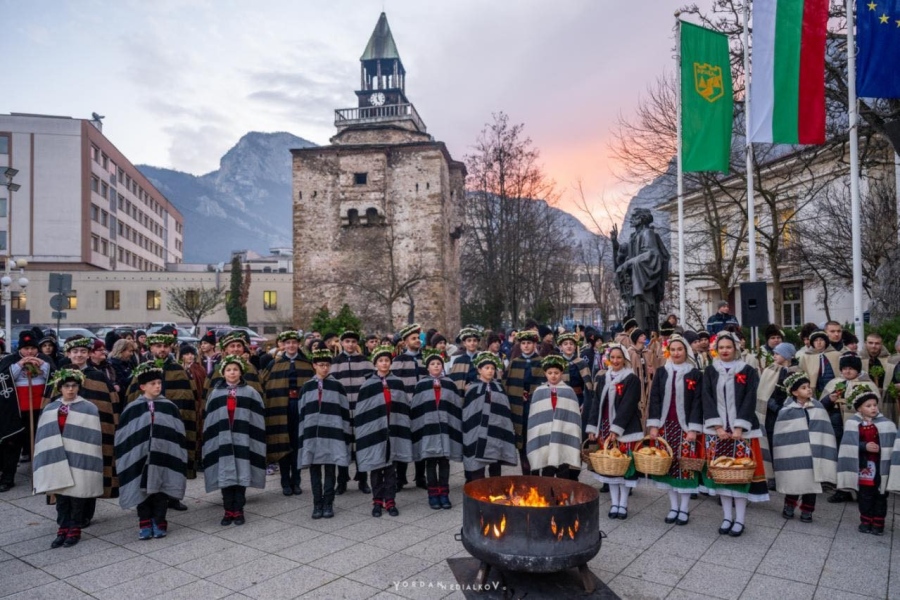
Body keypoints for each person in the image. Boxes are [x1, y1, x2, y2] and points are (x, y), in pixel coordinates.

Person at [44, 336, 120, 527]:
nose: (79, 355)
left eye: (83, 351)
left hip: (92, 437)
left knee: (90, 471)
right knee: (64, 471)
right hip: (64, 436)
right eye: (75, 351)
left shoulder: (99, 376)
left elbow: (112, 405)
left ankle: (86, 514)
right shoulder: (60, 377)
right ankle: (64, 514)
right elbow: (49, 404)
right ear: (68, 354)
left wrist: (112, 430)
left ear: (88, 354)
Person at [700, 331, 769, 538]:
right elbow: (707, 398)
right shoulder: (710, 371)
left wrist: (739, 426)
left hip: (742, 433)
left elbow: (750, 398)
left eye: (728, 347)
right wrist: (718, 427)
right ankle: (726, 516)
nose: (725, 351)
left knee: (740, 476)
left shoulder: (747, 370)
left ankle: (739, 520)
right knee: (722, 476)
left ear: (736, 348)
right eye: (721, 347)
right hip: (718, 432)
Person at [114, 363, 188, 540]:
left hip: (163, 455)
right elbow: (124, 435)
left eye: (159, 383)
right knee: (143, 491)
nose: (157, 386)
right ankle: (144, 521)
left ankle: (160, 521)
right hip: (140, 457)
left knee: (160, 490)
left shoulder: (169, 406)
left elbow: (178, 433)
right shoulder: (132, 408)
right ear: (142, 387)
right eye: (153, 383)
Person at [33, 369, 103, 548]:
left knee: (77, 495)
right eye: (66, 386)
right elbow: (44, 436)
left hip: (79, 457)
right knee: (62, 496)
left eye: (74, 386)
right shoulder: (50, 409)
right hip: (58, 457)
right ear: (59, 388)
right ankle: (62, 528)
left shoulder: (89, 408)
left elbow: (92, 437)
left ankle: (75, 529)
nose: (71, 390)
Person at [125, 334, 198, 500]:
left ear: (171, 348)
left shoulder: (179, 370)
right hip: (148, 425)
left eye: (165, 346)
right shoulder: (143, 370)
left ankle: (172, 498)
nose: (162, 349)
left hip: (171, 426)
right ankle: (148, 498)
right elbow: (132, 397)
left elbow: (189, 401)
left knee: (171, 461)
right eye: (157, 346)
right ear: (150, 348)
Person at [203, 355, 267, 526]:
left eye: (235, 369)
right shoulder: (215, 393)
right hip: (223, 439)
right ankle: (227, 510)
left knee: (241, 473)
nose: (232, 373)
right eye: (229, 370)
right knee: (226, 475)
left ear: (241, 372)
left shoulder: (251, 392)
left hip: (243, 438)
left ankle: (238, 510)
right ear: (223, 373)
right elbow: (210, 419)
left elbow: (257, 418)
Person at [647, 335, 704, 525]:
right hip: (665, 426)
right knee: (668, 467)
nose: (676, 353)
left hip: (685, 428)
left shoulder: (694, 374)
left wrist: (693, 429)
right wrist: (654, 425)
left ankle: (684, 508)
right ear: (668, 352)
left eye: (680, 349)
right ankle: (673, 507)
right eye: (673, 350)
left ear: (686, 351)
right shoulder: (662, 372)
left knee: (685, 467)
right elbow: (654, 398)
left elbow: (697, 403)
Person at [586, 344, 643, 520]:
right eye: (613, 358)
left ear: (625, 359)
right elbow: (596, 403)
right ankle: (614, 503)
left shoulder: (631, 379)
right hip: (605, 428)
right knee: (610, 467)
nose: (616, 361)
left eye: (619, 358)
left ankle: (623, 504)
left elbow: (628, 405)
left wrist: (616, 429)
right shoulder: (603, 378)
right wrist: (593, 427)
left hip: (625, 430)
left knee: (623, 468)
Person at [355, 344, 412, 517]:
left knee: (390, 469)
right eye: (381, 361)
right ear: (375, 364)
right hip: (375, 431)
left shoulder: (397, 382)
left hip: (393, 429)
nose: (384, 363)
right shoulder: (368, 385)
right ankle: (377, 501)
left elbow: (403, 408)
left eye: (387, 360)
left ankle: (391, 501)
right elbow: (362, 412)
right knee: (376, 467)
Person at [773, 372, 837, 523]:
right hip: (795, 452)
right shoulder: (786, 411)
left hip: (813, 452)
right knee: (794, 480)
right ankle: (789, 505)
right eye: (803, 387)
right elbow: (782, 435)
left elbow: (824, 429)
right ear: (794, 392)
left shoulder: (818, 407)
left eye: (809, 387)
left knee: (812, 484)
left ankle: (807, 510)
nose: (808, 390)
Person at [297, 349, 352, 519]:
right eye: (321, 365)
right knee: (314, 471)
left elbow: (344, 412)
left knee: (330, 469)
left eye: (327, 365)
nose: (325, 368)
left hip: (333, 434)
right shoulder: (307, 387)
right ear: (314, 366)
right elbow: (302, 413)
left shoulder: (337, 386)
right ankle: (317, 503)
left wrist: (344, 434)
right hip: (313, 434)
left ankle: (328, 502)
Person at [837, 388, 896, 535]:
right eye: (868, 406)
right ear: (859, 409)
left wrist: (881, 448)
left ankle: (878, 523)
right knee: (865, 494)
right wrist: (864, 446)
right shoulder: (853, 424)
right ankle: (865, 520)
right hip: (864, 465)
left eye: (875, 405)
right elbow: (848, 445)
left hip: (880, 465)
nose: (873, 408)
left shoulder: (887, 424)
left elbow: (892, 445)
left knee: (881, 495)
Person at [262, 330, 313, 496]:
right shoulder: (274, 364)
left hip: (299, 406)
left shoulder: (306, 364)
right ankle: (285, 481)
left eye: (294, 342)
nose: (291, 346)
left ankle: (296, 481)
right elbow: (265, 386)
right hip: (281, 408)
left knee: (298, 443)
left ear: (298, 344)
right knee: (284, 443)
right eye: (288, 343)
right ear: (283, 345)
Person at [410, 350, 463, 509]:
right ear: (428, 368)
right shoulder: (421, 385)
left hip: (445, 429)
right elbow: (417, 409)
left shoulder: (450, 384)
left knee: (444, 463)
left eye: (438, 364)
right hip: (428, 430)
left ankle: (444, 494)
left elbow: (455, 408)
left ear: (442, 366)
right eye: (432, 364)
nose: (436, 366)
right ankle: (433, 495)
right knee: (431, 462)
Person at [0, 330, 51, 483]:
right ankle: (7, 478)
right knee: (12, 443)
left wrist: (44, 366)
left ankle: (43, 477)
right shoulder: (10, 360)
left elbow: (55, 377)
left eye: (33, 348)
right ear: (20, 349)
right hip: (17, 410)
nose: (29, 351)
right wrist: (18, 366)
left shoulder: (45, 359)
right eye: (26, 348)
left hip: (41, 408)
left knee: (41, 441)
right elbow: (3, 378)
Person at [329, 329, 374, 495]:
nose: (350, 345)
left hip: (360, 408)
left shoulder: (365, 362)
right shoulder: (334, 363)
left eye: (353, 342)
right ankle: (342, 479)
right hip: (343, 410)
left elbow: (371, 386)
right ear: (341, 343)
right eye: (347, 341)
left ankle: (362, 479)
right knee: (342, 443)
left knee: (361, 443)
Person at [462, 352, 517, 483]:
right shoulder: (473, 388)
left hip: (496, 431)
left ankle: (495, 491)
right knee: (477, 464)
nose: (490, 371)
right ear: (479, 370)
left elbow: (504, 410)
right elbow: (468, 412)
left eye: (492, 368)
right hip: (477, 432)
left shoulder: (499, 387)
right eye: (487, 368)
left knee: (495, 463)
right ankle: (478, 490)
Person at [525, 354, 581, 480]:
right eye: (550, 372)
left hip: (563, 434)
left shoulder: (569, 392)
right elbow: (535, 419)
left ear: (561, 373)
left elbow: (573, 418)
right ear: (545, 373)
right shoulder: (539, 392)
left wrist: (571, 433)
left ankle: (562, 497)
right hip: (545, 437)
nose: (553, 375)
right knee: (547, 472)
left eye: (556, 372)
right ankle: (547, 497)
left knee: (563, 471)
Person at [391, 323, 427, 491]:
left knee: (421, 439)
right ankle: (400, 477)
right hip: (404, 406)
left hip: (422, 405)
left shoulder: (425, 358)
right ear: (405, 342)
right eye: (413, 338)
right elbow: (395, 385)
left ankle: (420, 476)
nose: (417, 341)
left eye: (418, 338)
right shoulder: (398, 361)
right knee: (403, 439)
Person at [505, 331, 547, 475]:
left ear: (535, 344)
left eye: (529, 343)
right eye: (523, 343)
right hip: (520, 408)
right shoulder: (514, 363)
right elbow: (507, 384)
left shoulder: (542, 362)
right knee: (522, 441)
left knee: (536, 439)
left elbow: (547, 382)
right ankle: (525, 473)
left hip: (536, 407)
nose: (526, 346)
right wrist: (518, 395)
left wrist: (532, 394)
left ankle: (535, 474)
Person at [449, 326, 482, 395]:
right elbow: (455, 381)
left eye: (474, 340)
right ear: (464, 343)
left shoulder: (483, 358)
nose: (472, 343)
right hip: (464, 395)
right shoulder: (458, 360)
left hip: (480, 393)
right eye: (469, 340)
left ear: (478, 342)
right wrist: (462, 387)